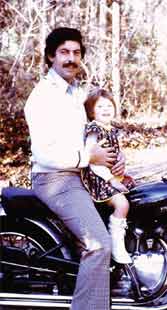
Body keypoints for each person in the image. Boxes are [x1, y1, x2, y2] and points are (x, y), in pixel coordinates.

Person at [24, 27, 124, 310]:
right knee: (98, 244)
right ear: (50, 57)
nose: (71, 58)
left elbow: (89, 140)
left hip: (81, 176)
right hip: (56, 179)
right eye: (64, 52)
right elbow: (45, 152)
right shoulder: (42, 96)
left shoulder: (73, 94)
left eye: (76, 53)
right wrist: (88, 158)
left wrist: (113, 160)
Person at [81, 88, 132, 264]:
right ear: (91, 111)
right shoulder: (94, 129)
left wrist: (122, 167)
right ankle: (117, 245)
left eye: (109, 105)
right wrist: (111, 180)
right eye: (100, 106)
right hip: (98, 179)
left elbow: (115, 153)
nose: (105, 109)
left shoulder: (111, 129)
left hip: (110, 176)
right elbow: (92, 160)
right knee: (122, 203)